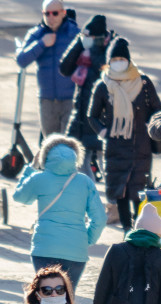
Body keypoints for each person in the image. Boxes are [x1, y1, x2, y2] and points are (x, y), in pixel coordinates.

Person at [87, 37, 161, 231]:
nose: (119, 62)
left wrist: (148, 126)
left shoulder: (143, 84)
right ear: (109, 62)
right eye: (115, 59)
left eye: (122, 58)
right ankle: (127, 229)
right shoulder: (103, 86)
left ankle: (138, 228)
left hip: (140, 146)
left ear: (129, 60)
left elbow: (157, 109)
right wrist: (104, 132)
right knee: (119, 192)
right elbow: (92, 115)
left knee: (138, 191)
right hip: (115, 147)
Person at [12, 134, 105, 287]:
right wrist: (87, 239)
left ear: (45, 156)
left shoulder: (39, 178)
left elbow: (20, 197)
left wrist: (31, 169)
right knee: (67, 298)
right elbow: (100, 218)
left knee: (46, 295)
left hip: (45, 248)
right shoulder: (85, 181)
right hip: (76, 250)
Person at [14, 0, 78, 139]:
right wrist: (42, 44)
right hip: (47, 101)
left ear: (63, 13)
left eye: (55, 13)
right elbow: (21, 60)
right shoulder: (37, 34)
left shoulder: (73, 33)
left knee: (68, 144)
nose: (51, 17)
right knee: (50, 144)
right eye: (47, 14)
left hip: (71, 100)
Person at [59, 13, 109, 182]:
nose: (84, 39)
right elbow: (64, 68)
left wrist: (93, 49)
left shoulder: (109, 50)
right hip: (80, 117)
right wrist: (78, 44)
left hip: (101, 119)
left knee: (107, 166)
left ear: (98, 37)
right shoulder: (82, 52)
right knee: (79, 164)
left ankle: (111, 204)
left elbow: (104, 71)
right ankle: (89, 197)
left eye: (88, 36)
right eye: (83, 35)